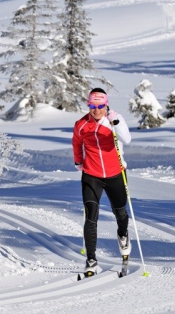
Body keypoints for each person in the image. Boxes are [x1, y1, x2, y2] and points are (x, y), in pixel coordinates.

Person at [72, 88, 132, 276]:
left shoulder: (114, 120)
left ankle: (122, 234)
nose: (96, 110)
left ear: (106, 104)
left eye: (100, 106)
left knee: (121, 213)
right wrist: (78, 161)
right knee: (91, 215)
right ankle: (91, 259)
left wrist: (116, 121)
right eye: (92, 106)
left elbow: (127, 139)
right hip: (92, 175)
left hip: (116, 174)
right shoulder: (81, 124)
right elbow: (76, 143)